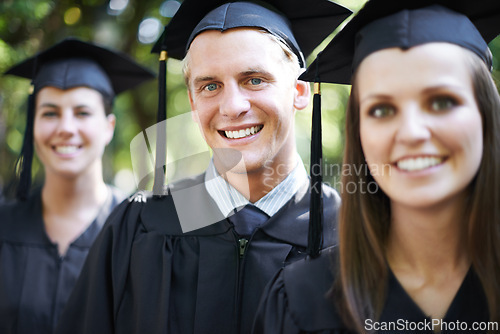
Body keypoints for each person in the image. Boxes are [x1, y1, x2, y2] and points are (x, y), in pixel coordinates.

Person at [55, 1, 351, 333]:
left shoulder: (351, 235)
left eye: (254, 80)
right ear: (193, 101)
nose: (233, 106)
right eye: (210, 86)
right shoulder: (140, 224)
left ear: (300, 92)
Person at [253, 0, 500, 333]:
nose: (412, 132)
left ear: (486, 116)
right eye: (381, 109)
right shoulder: (302, 299)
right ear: (359, 132)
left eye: (442, 102)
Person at [0, 38, 154, 334]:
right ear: (33, 125)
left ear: (109, 127)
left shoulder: (140, 232)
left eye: (82, 113)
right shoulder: (4, 226)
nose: (66, 128)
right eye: (50, 113)